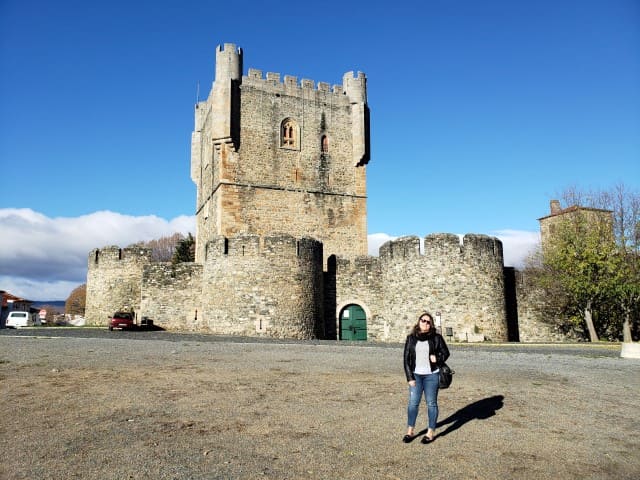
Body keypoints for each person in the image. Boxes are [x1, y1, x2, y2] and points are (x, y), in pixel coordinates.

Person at [402, 311, 450, 444]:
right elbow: (406, 359)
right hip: (416, 376)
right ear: (419, 322)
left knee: (431, 403)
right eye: (423, 320)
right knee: (413, 404)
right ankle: (410, 431)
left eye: (428, 322)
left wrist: (438, 358)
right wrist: (410, 377)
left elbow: (446, 352)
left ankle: (430, 432)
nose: (425, 323)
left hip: (432, 375)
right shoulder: (411, 338)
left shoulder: (436, 338)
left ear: (431, 325)